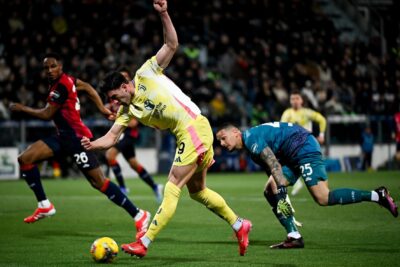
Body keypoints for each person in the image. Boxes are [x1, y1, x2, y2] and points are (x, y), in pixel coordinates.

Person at [81, 0, 252, 258]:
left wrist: (164, 14)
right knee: (197, 192)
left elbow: (171, 45)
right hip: (190, 133)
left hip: (193, 127)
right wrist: (93, 144)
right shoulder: (128, 110)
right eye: (111, 99)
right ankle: (240, 225)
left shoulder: (146, 72)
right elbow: (112, 137)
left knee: (172, 183)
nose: (113, 102)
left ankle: (145, 242)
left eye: (115, 96)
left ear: (126, 86)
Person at [9, 53, 151, 240]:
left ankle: (139, 215)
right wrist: (101, 109)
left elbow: (47, 114)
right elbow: (88, 88)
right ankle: (44, 204)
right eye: (46, 68)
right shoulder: (69, 80)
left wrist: (22, 108)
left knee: (98, 183)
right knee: (25, 159)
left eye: (53, 66)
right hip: (62, 137)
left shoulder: (62, 85)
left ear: (60, 66)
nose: (49, 71)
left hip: (77, 139)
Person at [216, 122, 398, 249]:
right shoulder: (251, 143)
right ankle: (294, 236)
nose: (222, 144)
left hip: (303, 147)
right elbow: (273, 172)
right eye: (220, 142)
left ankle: (377, 195)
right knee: (270, 190)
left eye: (224, 138)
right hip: (293, 153)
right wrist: (283, 199)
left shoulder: (251, 140)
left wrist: (281, 198)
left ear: (236, 133)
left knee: (323, 197)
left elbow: (274, 166)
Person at [105, 67, 164, 202]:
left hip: (129, 134)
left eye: (125, 77)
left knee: (110, 155)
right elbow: (110, 110)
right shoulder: (115, 98)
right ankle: (155, 186)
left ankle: (123, 188)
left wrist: (116, 117)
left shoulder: (133, 94)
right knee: (134, 164)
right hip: (122, 134)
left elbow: (132, 123)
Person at [281, 90, 327, 196]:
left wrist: (321, 135)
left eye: (297, 98)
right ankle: (296, 182)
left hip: (306, 145)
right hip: (292, 146)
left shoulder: (307, 112)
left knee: (306, 166)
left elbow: (322, 120)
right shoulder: (287, 113)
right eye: (292, 99)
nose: (295, 101)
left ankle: (318, 185)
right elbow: (282, 128)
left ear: (301, 100)